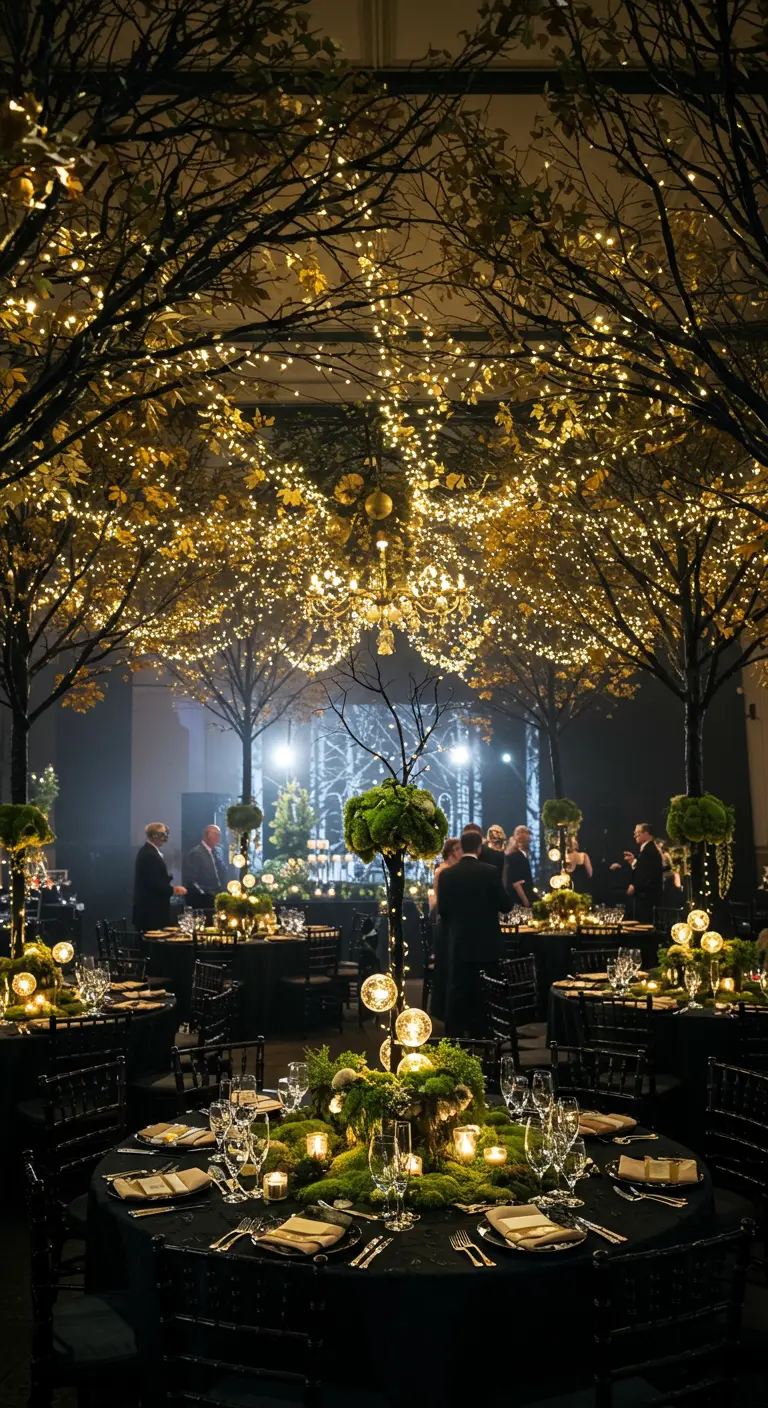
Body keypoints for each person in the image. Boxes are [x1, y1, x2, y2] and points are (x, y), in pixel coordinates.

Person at [438, 829, 512, 1037]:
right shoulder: (490, 872)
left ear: (462, 847)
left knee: (458, 990)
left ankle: (454, 1037)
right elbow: (505, 905)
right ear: (480, 848)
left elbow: (443, 910)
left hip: (459, 942)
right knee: (486, 991)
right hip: (486, 943)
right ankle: (484, 1035)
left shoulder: (447, 875)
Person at [133, 822, 186, 932]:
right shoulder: (149, 854)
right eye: (162, 834)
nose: (165, 838)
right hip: (151, 910)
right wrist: (173, 890)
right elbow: (154, 881)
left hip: (152, 908)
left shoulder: (150, 852)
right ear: (154, 835)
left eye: (166, 834)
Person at [624, 822, 663, 924]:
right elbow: (644, 868)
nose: (635, 835)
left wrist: (634, 886)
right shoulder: (647, 849)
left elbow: (647, 874)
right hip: (646, 896)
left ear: (646, 833)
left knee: (644, 925)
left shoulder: (649, 850)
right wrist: (633, 861)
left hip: (646, 898)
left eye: (637, 833)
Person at [184, 824, 226, 916]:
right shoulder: (196, 853)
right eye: (215, 834)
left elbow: (222, 871)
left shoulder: (218, 851)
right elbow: (191, 879)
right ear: (206, 835)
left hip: (219, 895)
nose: (218, 838)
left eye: (219, 835)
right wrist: (204, 893)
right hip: (204, 898)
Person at [504, 824, 535, 907]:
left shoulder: (518, 855)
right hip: (520, 900)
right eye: (528, 834)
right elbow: (516, 883)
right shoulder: (516, 856)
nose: (530, 838)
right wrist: (526, 901)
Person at [429, 835, 462, 912]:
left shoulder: (455, 867)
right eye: (457, 848)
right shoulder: (444, 870)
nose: (461, 850)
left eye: (461, 847)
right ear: (450, 854)